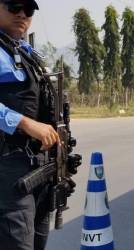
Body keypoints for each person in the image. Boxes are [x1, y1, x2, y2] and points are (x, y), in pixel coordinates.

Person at [0, 0, 60, 249]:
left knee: (38, 240)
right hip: (9, 166)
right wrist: (24, 123)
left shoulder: (26, 52)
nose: (22, 14)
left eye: (29, 9)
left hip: (38, 167)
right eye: (14, 6)